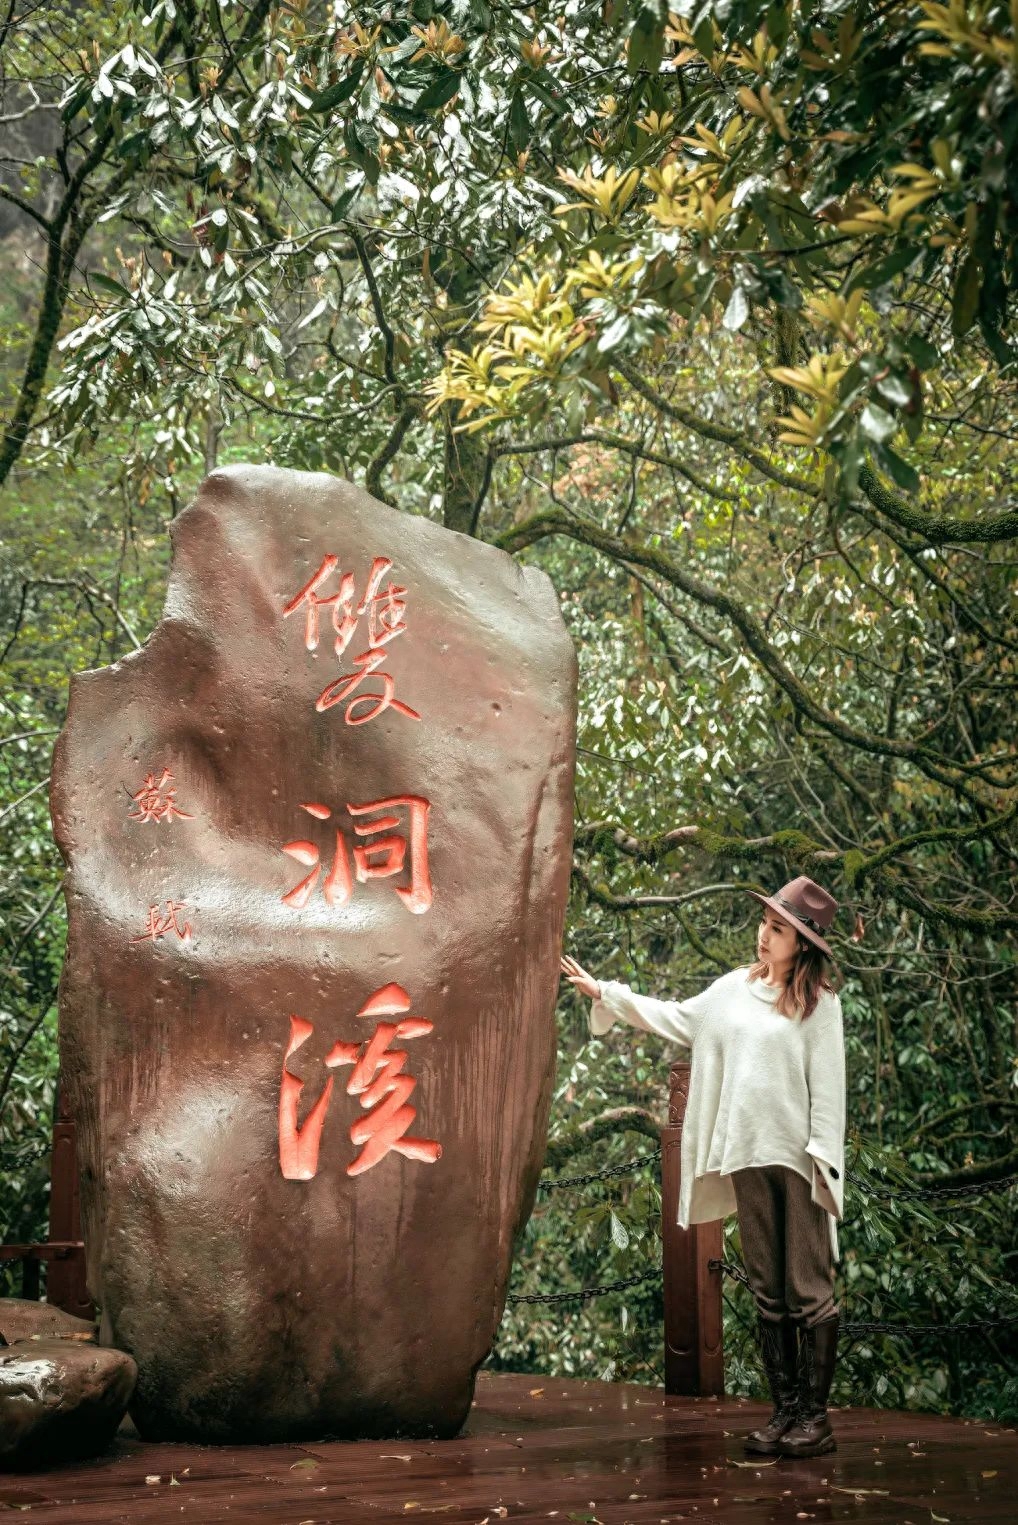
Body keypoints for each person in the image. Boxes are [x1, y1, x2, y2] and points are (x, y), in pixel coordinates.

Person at [560, 875, 846, 1459]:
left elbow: (830, 1091)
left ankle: (815, 1419)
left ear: (804, 944)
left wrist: (823, 1161)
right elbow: (674, 1018)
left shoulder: (821, 1006)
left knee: (807, 1289)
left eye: (778, 929)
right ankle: (785, 1410)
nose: (764, 936)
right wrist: (606, 994)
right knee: (768, 1289)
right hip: (746, 1155)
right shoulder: (730, 991)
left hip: (798, 1161)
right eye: (765, 924)